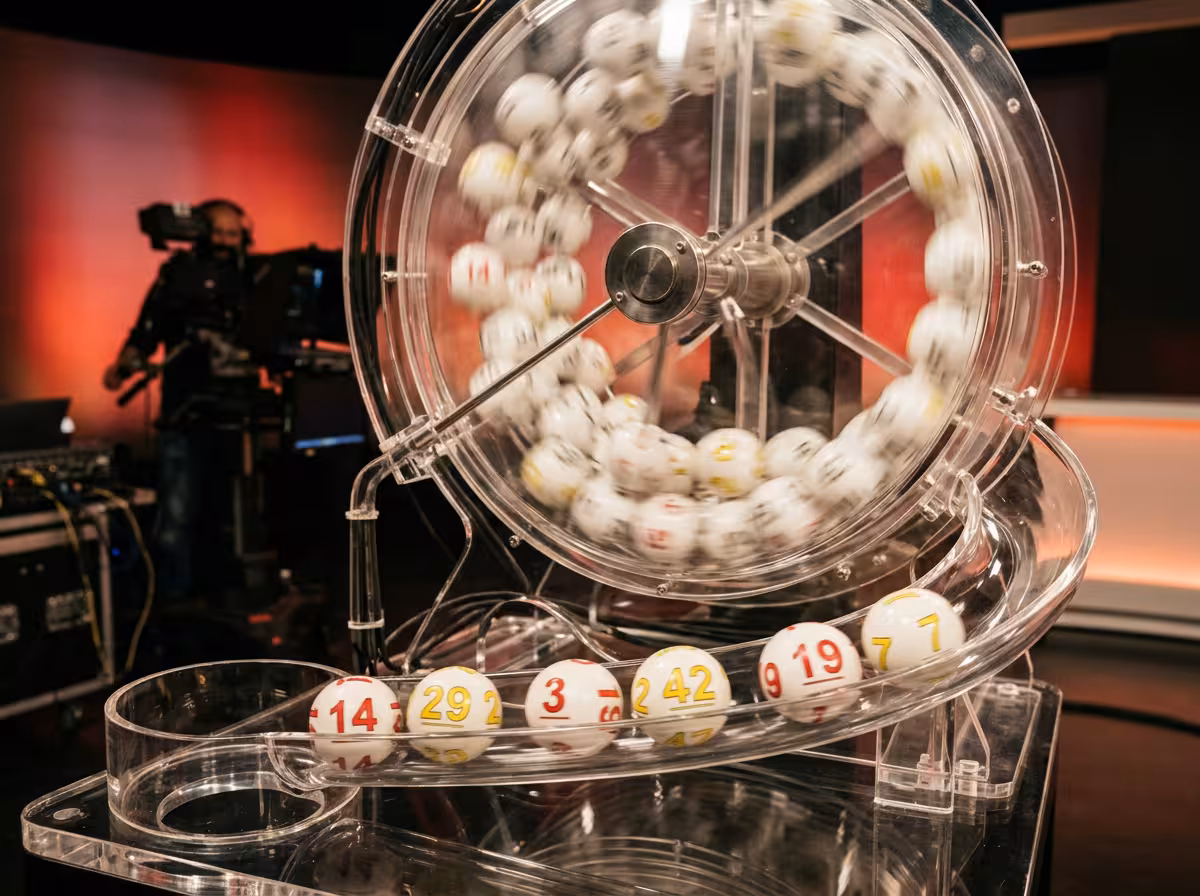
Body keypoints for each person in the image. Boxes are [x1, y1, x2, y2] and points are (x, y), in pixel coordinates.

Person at [103, 200, 263, 601]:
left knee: (234, 514)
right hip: (184, 412)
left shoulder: (255, 277)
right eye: (219, 231)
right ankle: (176, 605)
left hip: (238, 416)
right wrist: (125, 365)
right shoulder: (176, 274)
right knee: (177, 515)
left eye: (233, 232)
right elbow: (147, 328)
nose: (226, 240)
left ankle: (228, 594)